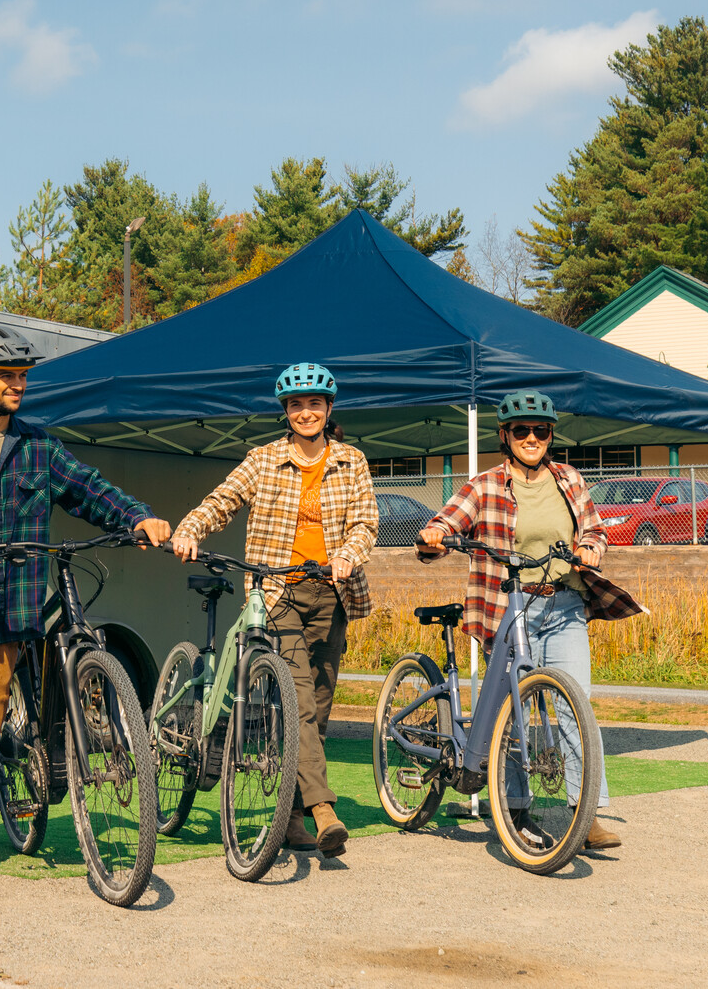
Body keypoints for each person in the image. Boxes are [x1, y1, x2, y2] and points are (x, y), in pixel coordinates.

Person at [0, 323, 172, 892]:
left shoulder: (40, 447)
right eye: (7, 376)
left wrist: (138, 516)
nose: (19, 385)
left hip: (8, 610)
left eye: (23, 376)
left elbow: (91, 490)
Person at [414, 389, 644, 852]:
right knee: (509, 715)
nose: (532, 437)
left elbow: (594, 530)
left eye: (541, 430)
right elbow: (444, 524)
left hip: (564, 607)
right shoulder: (483, 486)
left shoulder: (569, 479)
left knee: (575, 709)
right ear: (505, 436)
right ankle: (514, 809)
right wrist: (436, 534)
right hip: (507, 608)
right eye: (522, 430)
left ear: (550, 436)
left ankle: (585, 814)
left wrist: (590, 549)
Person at [170, 362, 376, 858]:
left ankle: (290, 818)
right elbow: (223, 500)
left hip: (333, 591)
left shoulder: (352, 460)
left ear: (329, 409)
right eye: (296, 405)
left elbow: (366, 521)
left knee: (318, 711)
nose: (306, 412)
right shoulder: (262, 460)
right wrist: (191, 528)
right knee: (300, 700)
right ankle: (324, 809)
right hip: (277, 592)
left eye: (314, 404)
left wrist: (347, 556)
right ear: (286, 412)